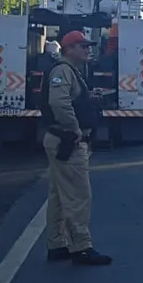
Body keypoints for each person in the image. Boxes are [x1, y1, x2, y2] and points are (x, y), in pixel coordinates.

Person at [40, 30, 112, 266]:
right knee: (78, 196)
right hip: (67, 141)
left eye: (89, 45)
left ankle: (57, 244)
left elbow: (69, 99)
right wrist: (74, 128)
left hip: (61, 140)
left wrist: (89, 97)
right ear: (68, 49)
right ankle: (81, 248)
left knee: (59, 196)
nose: (88, 49)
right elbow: (58, 102)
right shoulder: (63, 70)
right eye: (83, 46)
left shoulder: (71, 71)